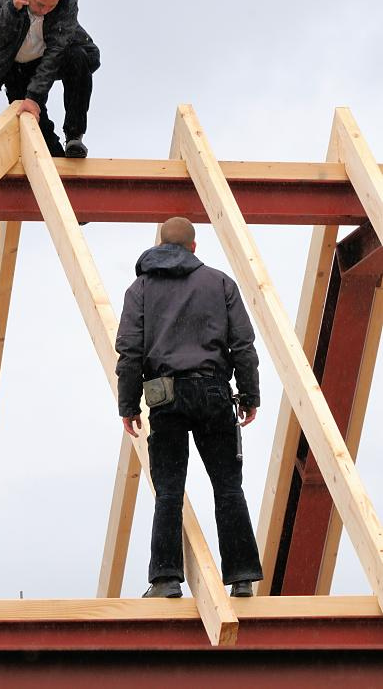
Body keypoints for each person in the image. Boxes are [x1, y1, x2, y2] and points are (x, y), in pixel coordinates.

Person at [115, 216, 263, 599]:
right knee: (228, 487)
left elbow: (129, 352)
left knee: (168, 490)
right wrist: (249, 396)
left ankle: (165, 579)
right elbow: (243, 346)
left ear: (162, 243)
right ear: (194, 248)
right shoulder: (220, 283)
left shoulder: (141, 289)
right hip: (214, 393)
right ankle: (242, 576)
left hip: (165, 398)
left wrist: (128, 404)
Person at [0, 0, 100, 158]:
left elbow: (56, 51)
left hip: (47, 60)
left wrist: (34, 97)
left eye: (50, 7)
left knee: (78, 57)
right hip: (15, 68)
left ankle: (74, 136)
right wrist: (12, 8)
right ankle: (55, 160)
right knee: (34, 125)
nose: (44, 11)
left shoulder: (67, 2)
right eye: (39, 4)